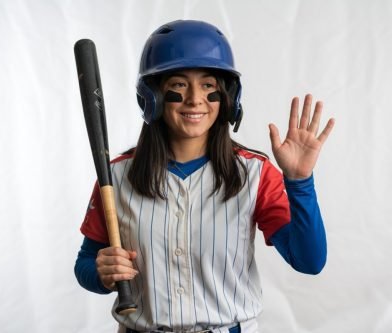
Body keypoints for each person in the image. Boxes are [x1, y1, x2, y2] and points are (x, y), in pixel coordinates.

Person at [75, 20, 335, 333]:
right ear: (153, 95)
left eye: (209, 85)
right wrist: (103, 274)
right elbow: (86, 263)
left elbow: (309, 261)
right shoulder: (116, 175)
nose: (195, 99)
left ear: (227, 97)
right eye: (179, 84)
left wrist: (299, 181)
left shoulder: (255, 173)